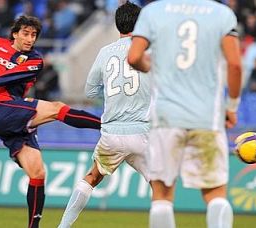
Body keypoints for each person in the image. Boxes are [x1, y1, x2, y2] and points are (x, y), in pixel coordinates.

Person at [0, 15, 101, 228]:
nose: (30, 39)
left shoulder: (35, 60)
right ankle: (106, 125)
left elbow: (5, 80)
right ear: (14, 33)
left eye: (33, 35)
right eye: (25, 33)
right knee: (57, 108)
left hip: (13, 113)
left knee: (38, 173)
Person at [128, 0, 242, 228]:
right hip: (207, 118)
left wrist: (151, 66)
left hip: (166, 117)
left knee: (162, 195)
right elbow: (235, 65)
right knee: (215, 193)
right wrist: (231, 106)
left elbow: (133, 57)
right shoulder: (222, 13)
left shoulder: (153, 11)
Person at [58, 2, 150, 227]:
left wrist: (109, 92)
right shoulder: (149, 51)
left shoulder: (105, 52)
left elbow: (89, 91)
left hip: (112, 134)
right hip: (142, 133)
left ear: (117, 25)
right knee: (162, 187)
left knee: (91, 178)